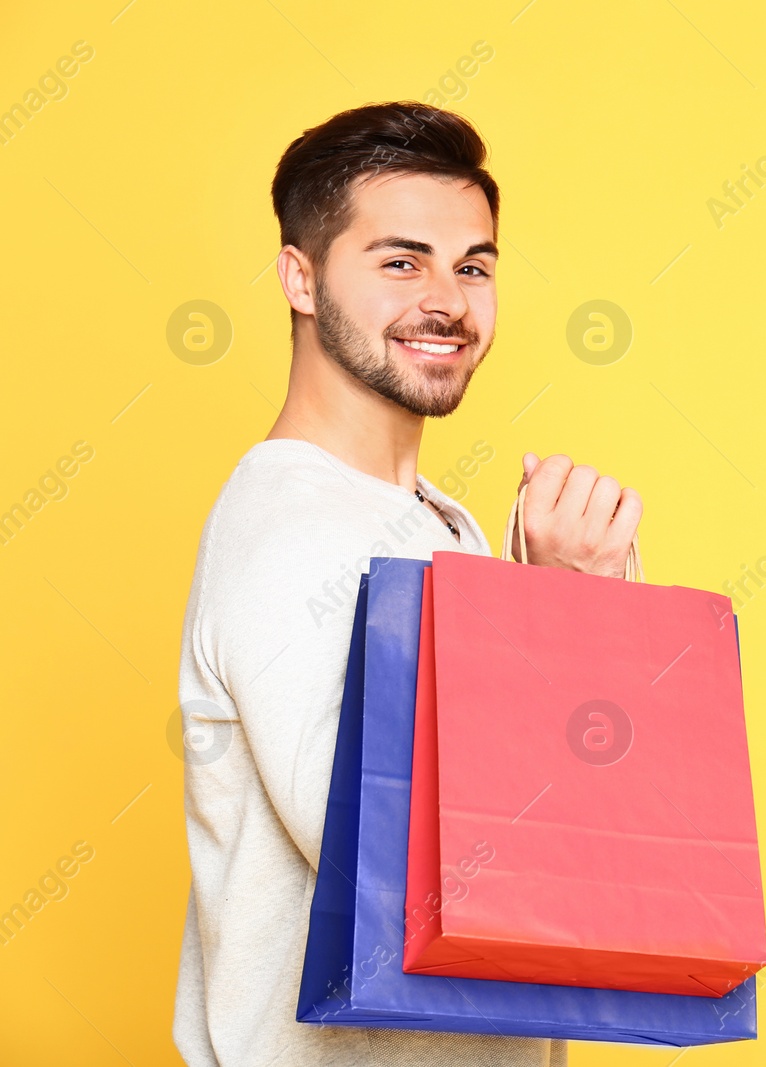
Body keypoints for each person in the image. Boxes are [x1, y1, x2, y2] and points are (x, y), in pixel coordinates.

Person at [172, 101, 641, 1066]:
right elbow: (395, 869)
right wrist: (563, 614)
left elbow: (562, 828)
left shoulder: (443, 522)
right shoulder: (290, 528)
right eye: (400, 261)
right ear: (299, 278)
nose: (448, 300)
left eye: (472, 265)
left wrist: (582, 615)